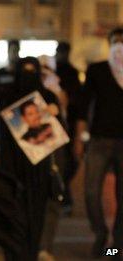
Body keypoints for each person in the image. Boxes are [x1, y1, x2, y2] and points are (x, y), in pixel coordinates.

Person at [0, 55, 61, 260]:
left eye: (33, 72)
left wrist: (55, 114)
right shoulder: (6, 95)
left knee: (36, 211)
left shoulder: (48, 97)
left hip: (39, 166)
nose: (28, 76)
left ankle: (32, 250)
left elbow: (61, 133)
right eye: (25, 71)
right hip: (12, 166)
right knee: (13, 211)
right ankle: (13, 252)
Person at [75, 27, 123, 258]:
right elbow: (84, 106)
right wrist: (80, 137)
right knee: (91, 192)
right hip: (99, 140)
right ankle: (101, 233)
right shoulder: (98, 70)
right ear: (110, 44)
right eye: (116, 41)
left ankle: (116, 244)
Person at [55, 41, 82, 211]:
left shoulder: (71, 73)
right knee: (62, 161)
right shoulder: (53, 72)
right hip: (56, 124)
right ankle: (61, 194)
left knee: (69, 162)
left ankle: (63, 193)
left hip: (69, 124)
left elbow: (78, 101)